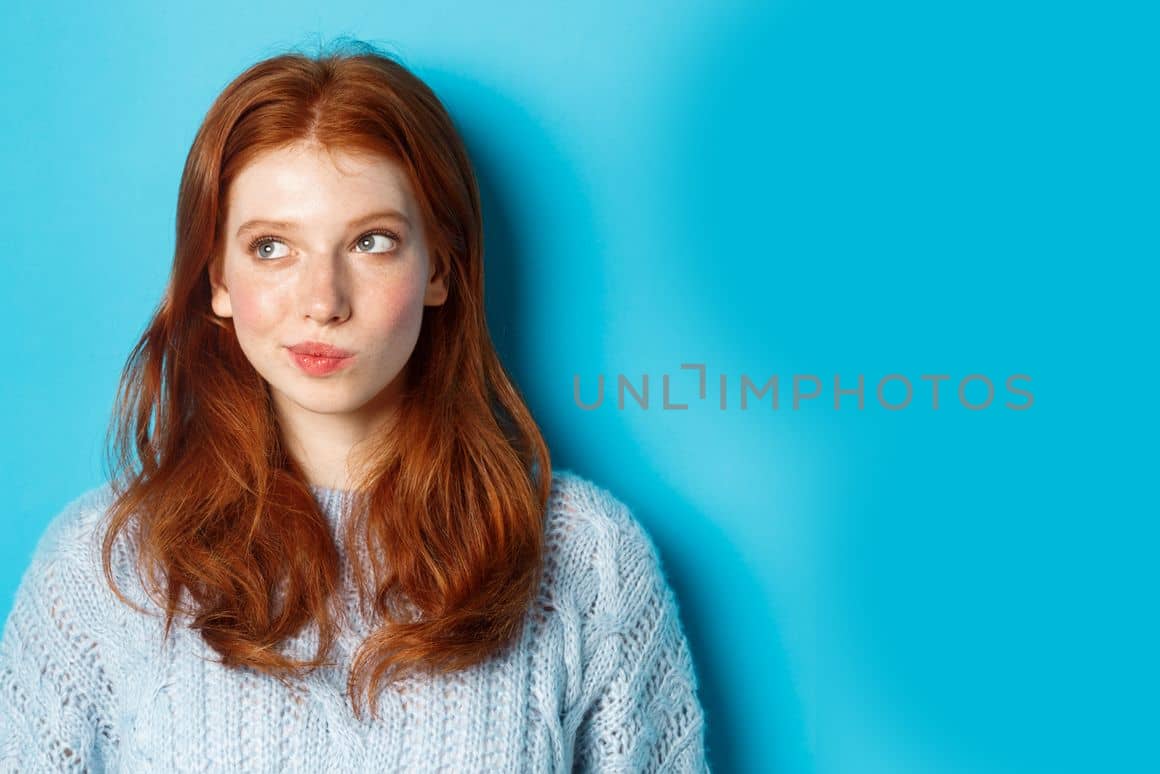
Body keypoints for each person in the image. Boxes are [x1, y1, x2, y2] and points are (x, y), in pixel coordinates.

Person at [0, 40, 709, 772]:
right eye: (272, 247)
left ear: (440, 266)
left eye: (372, 242)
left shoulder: (584, 558)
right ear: (216, 278)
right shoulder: (103, 568)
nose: (322, 303)